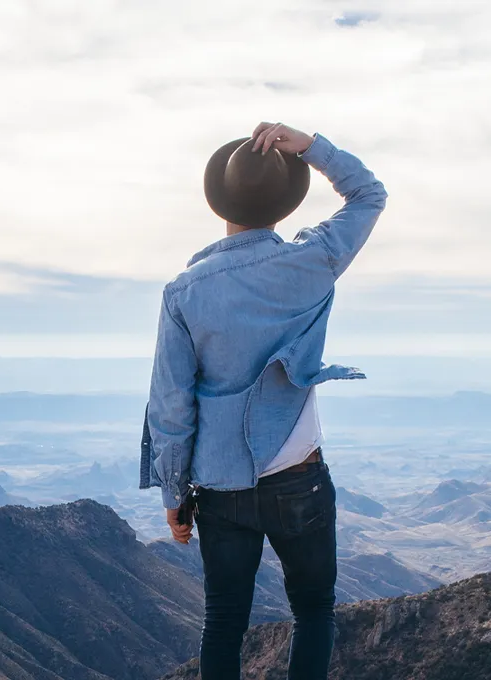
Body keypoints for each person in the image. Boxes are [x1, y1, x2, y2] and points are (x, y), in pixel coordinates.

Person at [139, 122, 387, 679]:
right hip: (298, 476)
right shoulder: (312, 260)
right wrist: (312, 148)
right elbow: (369, 194)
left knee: (223, 621)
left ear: (221, 198)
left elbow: (171, 406)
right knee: (313, 610)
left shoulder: (183, 291)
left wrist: (174, 493)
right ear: (282, 200)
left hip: (220, 485)